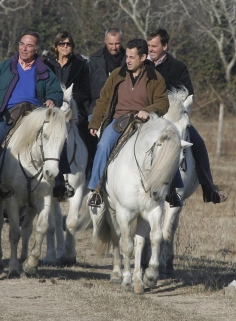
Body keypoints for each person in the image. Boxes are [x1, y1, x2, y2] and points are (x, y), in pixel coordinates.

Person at [86, 38, 177, 207]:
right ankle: (95, 190)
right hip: (118, 120)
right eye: (126, 56)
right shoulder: (117, 75)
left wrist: (148, 110)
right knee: (103, 145)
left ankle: (173, 190)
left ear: (143, 58)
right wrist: (95, 123)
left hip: (146, 122)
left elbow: (163, 103)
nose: (127, 60)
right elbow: (103, 100)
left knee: (166, 146)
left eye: (132, 57)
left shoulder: (155, 77)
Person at [0, 31, 66, 204]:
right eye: (22, 44)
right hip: (9, 114)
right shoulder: (3, 68)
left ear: (36, 49)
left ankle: (58, 183)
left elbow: (56, 91)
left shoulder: (44, 70)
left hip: (36, 113)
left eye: (29, 46)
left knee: (56, 138)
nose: (24, 49)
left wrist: (52, 99)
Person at [147, 28, 227, 204]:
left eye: (154, 46)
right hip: (146, 117)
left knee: (198, 143)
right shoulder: (141, 64)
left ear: (165, 46)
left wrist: (172, 104)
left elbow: (188, 93)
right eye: (148, 45)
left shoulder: (178, 67)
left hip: (172, 119)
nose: (150, 49)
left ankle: (209, 188)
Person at [42, 31, 91, 193]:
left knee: (89, 135)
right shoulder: (45, 64)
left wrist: (69, 99)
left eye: (68, 44)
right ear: (56, 46)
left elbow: (85, 90)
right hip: (50, 110)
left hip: (74, 109)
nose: (65, 47)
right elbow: (40, 86)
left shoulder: (81, 65)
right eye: (61, 44)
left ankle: (89, 172)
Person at [87, 28, 126, 119]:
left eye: (117, 44)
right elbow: (87, 86)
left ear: (122, 41)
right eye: (111, 44)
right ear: (105, 41)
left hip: (122, 107)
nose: (114, 47)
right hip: (97, 107)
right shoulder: (94, 60)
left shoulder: (129, 59)